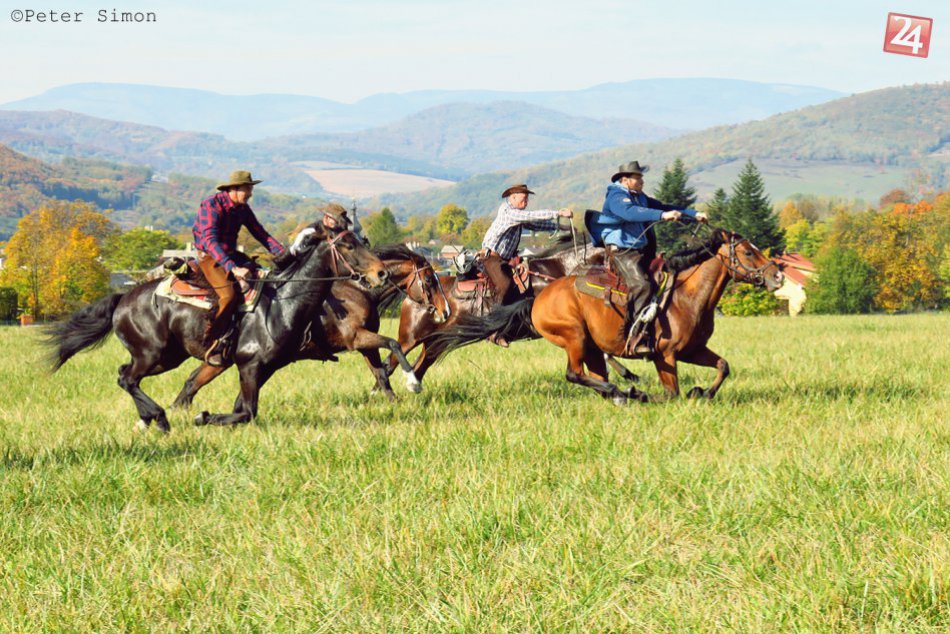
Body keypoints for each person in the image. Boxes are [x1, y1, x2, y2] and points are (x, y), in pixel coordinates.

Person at [588, 161, 707, 356]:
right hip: (622, 252)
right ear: (625, 180)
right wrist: (662, 215)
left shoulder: (640, 197)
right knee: (642, 285)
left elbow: (664, 207)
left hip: (640, 250)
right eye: (638, 178)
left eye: (641, 177)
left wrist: (694, 214)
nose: (642, 181)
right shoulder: (616, 196)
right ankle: (634, 335)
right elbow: (630, 213)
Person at [192, 170, 286, 366]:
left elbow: (261, 234)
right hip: (210, 256)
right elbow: (209, 241)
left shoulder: (243, 209)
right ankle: (213, 342)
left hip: (231, 254)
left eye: (250, 188)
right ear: (234, 189)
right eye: (247, 189)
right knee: (228, 295)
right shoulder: (211, 205)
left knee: (265, 282)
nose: (250, 193)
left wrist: (284, 254)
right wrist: (233, 268)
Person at [480, 183, 572, 303]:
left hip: (504, 260)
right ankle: (496, 315)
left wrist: (560, 227)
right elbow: (531, 216)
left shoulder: (517, 216)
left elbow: (536, 224)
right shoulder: (508, 212)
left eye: (527, 199)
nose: (526, 202)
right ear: (513, 198)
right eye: (524, 198)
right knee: (504, 285)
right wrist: (558, 214)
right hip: (491, 258)